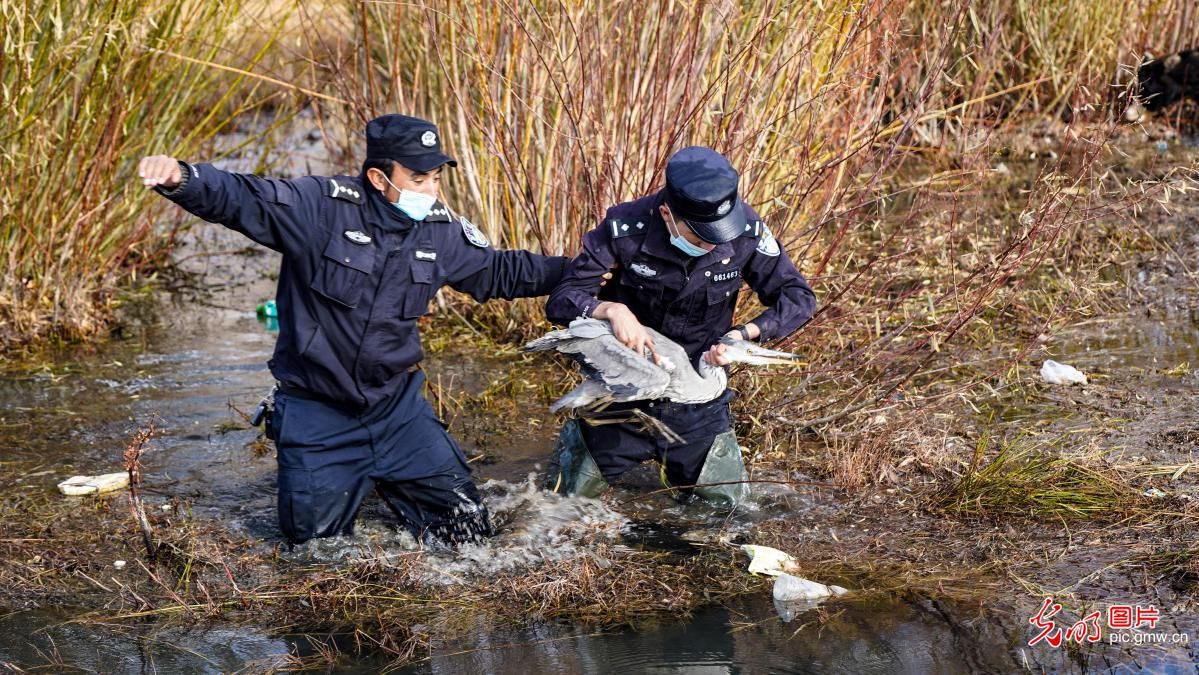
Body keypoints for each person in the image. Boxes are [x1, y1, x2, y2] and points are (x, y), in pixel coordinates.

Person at [138, 114, 569, 547]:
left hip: (398, 412)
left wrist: (584, 271)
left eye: (436, 178)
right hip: (317, 418)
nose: (431, 191)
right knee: (316, 554)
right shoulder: (320, 207)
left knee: (469, 537)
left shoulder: (440, 231)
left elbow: (499, 271)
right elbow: (245, 198)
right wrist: (182, 177)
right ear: (379, 178)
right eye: (418, 179)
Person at [544, 146, 816, 506]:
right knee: (556, 507)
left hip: (698, 407)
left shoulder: (744, 231)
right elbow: (563, 299)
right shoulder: (624, 229)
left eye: (720, 235)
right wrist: (610, 309)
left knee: (730, 514)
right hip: (622, 397)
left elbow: (798, 298)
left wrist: (741, 335)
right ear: (667, 215)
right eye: (702, 237)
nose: (713, 244)